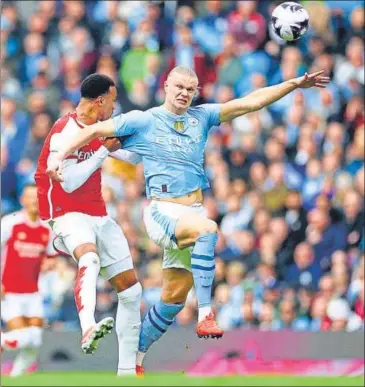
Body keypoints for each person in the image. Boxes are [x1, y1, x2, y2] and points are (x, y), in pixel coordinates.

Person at [47, 65, 330, 374]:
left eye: (190, 89)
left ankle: (133, 364)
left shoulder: (202, 117)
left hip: (191, 212)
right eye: (179, 86)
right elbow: (91, 130)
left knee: (172, 300)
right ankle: (206, 314)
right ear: (166, 85)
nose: (184, 93)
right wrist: (56, 158)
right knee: (209, 231)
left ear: (196, 92)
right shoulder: (144, 120)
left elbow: (251, 102)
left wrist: (293, 82)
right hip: (162, 212)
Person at [34, 74, 143, 376]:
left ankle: (126, 374)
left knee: (132, 292)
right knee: (90, 257)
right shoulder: (63, 132)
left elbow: (131, 157)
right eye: (113, 99)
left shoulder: (100, 128)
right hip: (64, 213)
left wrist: (148, 139)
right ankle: (87, 327)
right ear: (101, 101)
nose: (114, 105)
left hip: (97, 214)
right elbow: (68, 184)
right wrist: (103, 152)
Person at [1, 184, 58, 377]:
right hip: (9, 290)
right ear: (22, 200)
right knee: (24, 337)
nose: (34, 200)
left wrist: (49, 264)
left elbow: (51, 255)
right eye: (29, 196)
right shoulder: (10, 223)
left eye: (37, 196)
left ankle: (16, 377)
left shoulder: (46, 228)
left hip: (33, 292)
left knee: (35, 342)